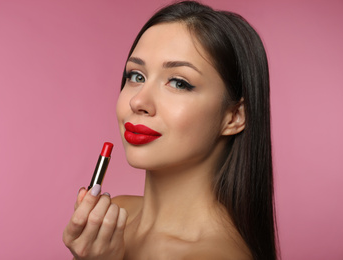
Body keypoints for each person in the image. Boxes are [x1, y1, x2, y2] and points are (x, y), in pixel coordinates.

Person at [63, 1, 278, 259]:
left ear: (234, 116)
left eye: (178, 82)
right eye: (136, 76)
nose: (138, 102)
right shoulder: (115, 217)